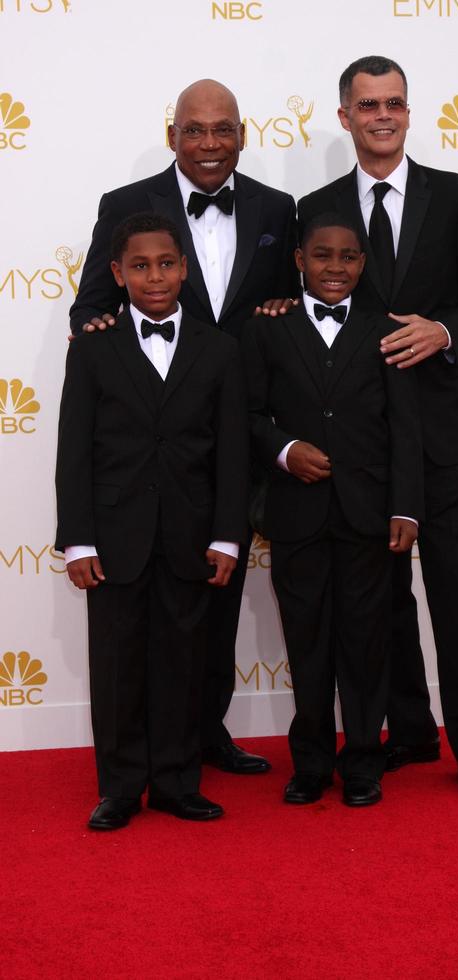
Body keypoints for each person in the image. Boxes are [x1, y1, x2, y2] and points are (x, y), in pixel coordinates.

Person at [70, 79, 300, 775]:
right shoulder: (125, 206)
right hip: (143, 442)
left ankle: (202, 734)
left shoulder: (276, 208)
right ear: (173, 135)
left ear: (242, 133)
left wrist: (285, 309)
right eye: (194, 130)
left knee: (214, 597)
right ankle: (134, 756)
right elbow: (90, 308)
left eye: (222, 129)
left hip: (235, 436)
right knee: (137, 617)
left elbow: (289, 301)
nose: (209, 144)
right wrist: (102, 326)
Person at [297, 56, 458, 799]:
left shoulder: (457, 197)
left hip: (443, 431)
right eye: (367, 105)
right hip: (360, 441)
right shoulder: (315, 205)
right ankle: (410, 731)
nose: (381, 116)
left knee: (453, 588)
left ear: (409, 113)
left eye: (394, 103)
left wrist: (444, 332)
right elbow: (298, 302)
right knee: (377, 596)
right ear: (345, 117)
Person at [55, 213, 250, 829]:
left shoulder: (219, 351)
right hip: (114, 537)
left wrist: (226, 534)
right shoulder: (92, 348)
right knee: (116, 665)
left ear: (185, 268)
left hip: (191, 536)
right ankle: (119, 786)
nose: (155, 276)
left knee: (182, 663)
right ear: (117, 274)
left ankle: (175, 782)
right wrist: (77, 540)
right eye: (139, 266)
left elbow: (232, 453)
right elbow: (74, 449)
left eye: (166, 264)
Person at [241, 214, 423, 807]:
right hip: (296, 516)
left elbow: (404, 427)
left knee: (366, 643)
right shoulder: (269, 328)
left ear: (363, 265)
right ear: (299, 260)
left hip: (368, 515)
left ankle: (364, 762)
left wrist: (406, 509)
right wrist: (285, 450)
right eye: (323, 256)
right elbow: (247, 415)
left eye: (348, 257)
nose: (336, 268)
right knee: (307, 642)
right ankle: (312, 764)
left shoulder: (383, 330)